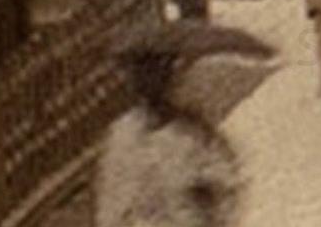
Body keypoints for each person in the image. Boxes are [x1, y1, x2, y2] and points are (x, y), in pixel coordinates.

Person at [94, 36, 242, 227]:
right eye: (141, 77)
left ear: (167, 79)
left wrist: (205, 194)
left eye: (155, 76)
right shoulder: (122, 132)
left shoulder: (192, 131)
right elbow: (111, 201)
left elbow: (226, 182)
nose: (148, 85)